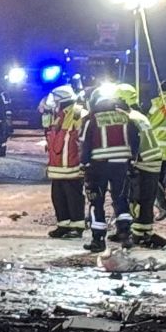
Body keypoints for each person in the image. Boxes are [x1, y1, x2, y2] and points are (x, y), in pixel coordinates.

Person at [80, 82, 140, 252]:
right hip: (121, 165)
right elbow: (136, 139)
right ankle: (125, 234)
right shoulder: (125, 117)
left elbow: (85, 143)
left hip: (97, 166)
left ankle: (98, 240)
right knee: (121, 198)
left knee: (96, 201)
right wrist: (132, 159)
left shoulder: (90, 119)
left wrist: (84, 163)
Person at [42, 85, 87, 238]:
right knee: (58, 197)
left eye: (55, 100)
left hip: (73, 166)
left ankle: (77, 225)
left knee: (73, 197)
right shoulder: (59, 116)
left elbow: (84, 139)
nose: (53, 103)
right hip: (58, 166)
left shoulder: (78, 113)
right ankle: (63, 224)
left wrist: (84, 162)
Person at [127, 101, 166, 247]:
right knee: (147, 199)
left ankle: (138, 233)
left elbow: (133, 142)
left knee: (138, 199)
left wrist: (130, 164)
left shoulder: (128, 118)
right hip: (154, 158)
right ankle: (145, 231)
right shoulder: (139, 116)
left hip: (143, 161)